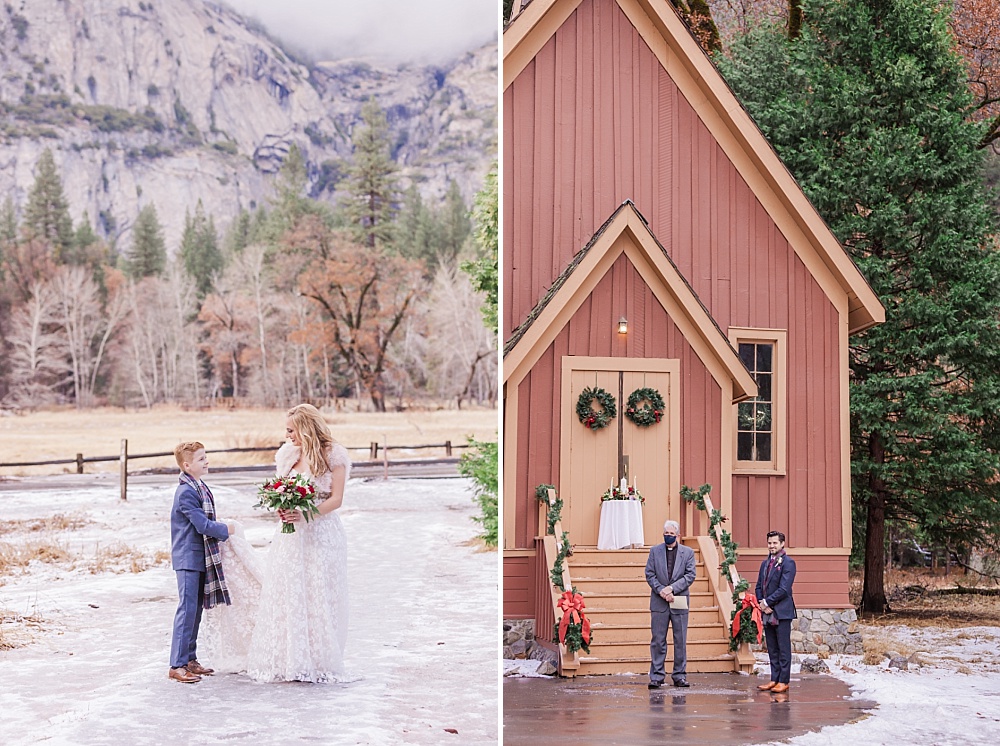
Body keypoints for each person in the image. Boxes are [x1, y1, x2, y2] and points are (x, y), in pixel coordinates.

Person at [202, 403, 351, 683]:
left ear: (306, 428)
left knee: (317, 592)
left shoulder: (334, 455)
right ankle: (290, 656)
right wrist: (281, 507)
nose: (287, 435)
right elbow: (282, 489)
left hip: (321, 534)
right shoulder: (287, 455)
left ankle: (316, 659)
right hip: (290, 536)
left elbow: (336, 499)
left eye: (291, 430)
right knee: (288, 590)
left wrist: (306, 515)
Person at [168, 441, 231, 683]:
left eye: (206, 457)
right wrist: (228, 529)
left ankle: (190, 659)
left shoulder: (199, 486)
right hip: (188, 558)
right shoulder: (186, 492)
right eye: (201, 459)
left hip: (200, 556)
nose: (207, 461)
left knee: (195, 612)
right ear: (187, 465)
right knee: (186, 610)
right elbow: (203, 525)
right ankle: (177, 664)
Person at [645, 519, 696, 688]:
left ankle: (679, 675)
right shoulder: (654, 551)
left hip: (679, 599)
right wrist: (661, 590)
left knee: (680, 639)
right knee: (658, 640)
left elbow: (690, 575)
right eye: (666, 534)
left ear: (678, 535)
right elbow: (649, 574)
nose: (668, 536)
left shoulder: (687, 553)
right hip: (659, 601)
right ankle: (657, 676)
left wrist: (672, 588)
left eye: (671, 534)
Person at [756, 530, 797, 693]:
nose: (771, 546)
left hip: (782, 611)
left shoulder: (788, 563)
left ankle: (784, 680)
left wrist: (768, 601)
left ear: (782, 544)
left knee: (783, 647)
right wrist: (761, 602)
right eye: (769, 543)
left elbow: (784, 588)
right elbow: (759, 585)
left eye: (774, 543)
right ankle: (774, 678)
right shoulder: (765, 563)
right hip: (767, 611)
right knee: (772, 647)